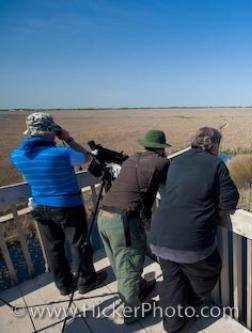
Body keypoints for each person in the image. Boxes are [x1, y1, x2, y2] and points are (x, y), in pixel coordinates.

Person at [150, 127, 239, 333]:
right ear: (214, 145)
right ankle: (192, 308)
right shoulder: (216, 164)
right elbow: (229, 201)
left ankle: (173, 325)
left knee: (173, 281)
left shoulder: (177, 161)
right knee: (210, 270)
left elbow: (169, 189)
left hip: (159, 237)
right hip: (191, 243)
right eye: (219, 145)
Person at [10, 112, 107, 296]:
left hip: (40, 207)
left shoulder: (18, 155)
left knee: (55, 247)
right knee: (79, 244)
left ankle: (64, 285)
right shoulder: (62, 153)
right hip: (67, 205)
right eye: (54, 131)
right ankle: (86, 280)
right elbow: (86, 158)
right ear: (49, 131)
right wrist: (68, 138)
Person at [97, 129, 170, 324]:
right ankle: (132, 311)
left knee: (118, 260)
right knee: (129, 264)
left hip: (104, 216)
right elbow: (169, 181)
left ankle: (139, 288)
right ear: (162, 149)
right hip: (123, 220)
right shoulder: (161, 162)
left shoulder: (131, 160)